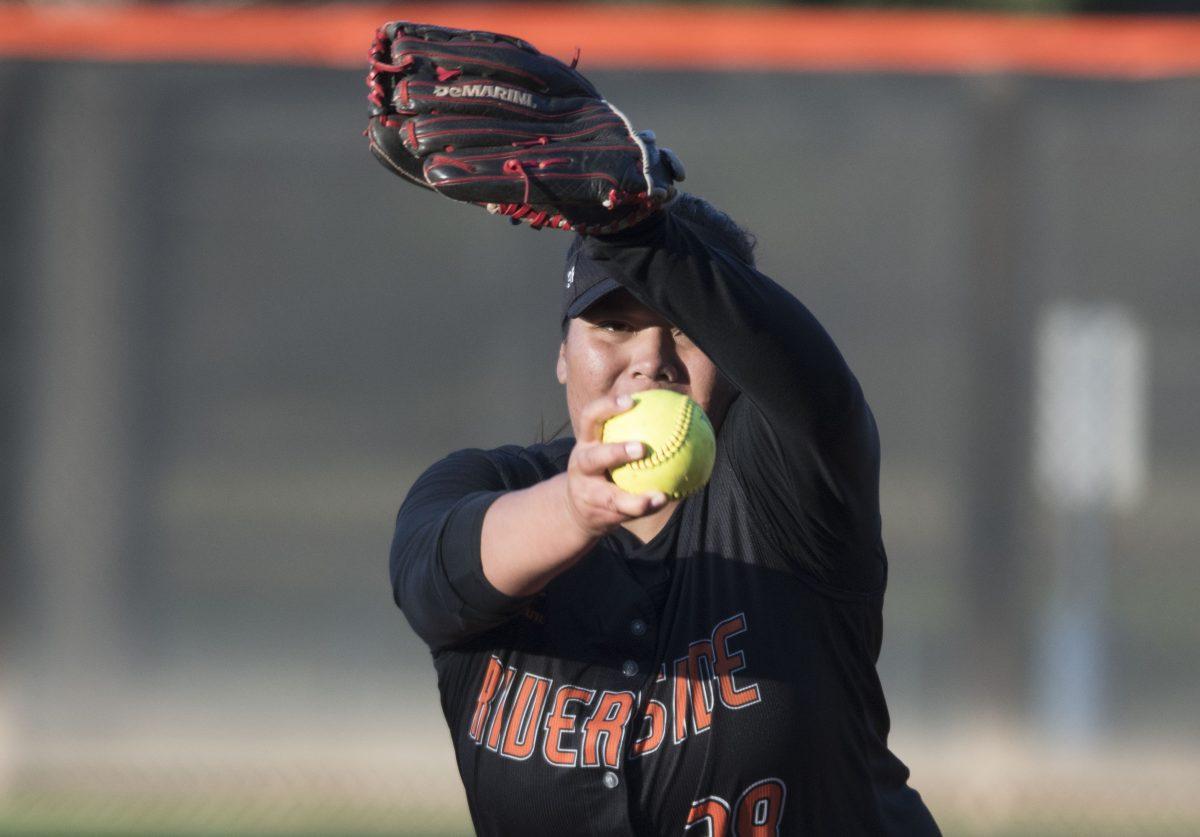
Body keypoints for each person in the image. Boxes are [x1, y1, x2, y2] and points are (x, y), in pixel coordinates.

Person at [389, 192, 941, 835]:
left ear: (740, 363)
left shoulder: (797, 490)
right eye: (614, 325)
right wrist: (572, 510)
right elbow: (431, 581)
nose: (651, 358)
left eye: (687, 327)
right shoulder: (486, 485)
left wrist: (632, 226)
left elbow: (816, 388)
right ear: (564, 355)